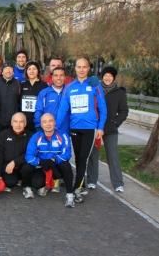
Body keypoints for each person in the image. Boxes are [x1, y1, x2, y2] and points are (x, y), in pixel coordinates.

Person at [56, 57, 107, 201]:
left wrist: (101, 127)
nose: (82, 69)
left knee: (83, 158)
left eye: (84, 67)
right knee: (78, 158)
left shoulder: (94, 84)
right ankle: (81, 183)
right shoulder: (69, 87)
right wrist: (55, 127)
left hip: (90, 128)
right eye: (79, 67)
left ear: (88, 68)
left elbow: (103, 108)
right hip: (74, 128)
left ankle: (76, 189)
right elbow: (62, 110)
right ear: (75, 68)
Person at [87, 66, 128, 192]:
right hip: (94, 127)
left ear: (113, 78)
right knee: (93, 155)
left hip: (110, 128)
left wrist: (115, 123)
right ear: (102, 77)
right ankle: (91, 181)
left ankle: (118, 183)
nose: (107, 78)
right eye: (105, 75)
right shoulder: (95, 89)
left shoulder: (119, 92)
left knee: (113, 156)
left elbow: (124, 111)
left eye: (110, 76)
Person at [25, 113, 75, 206]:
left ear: (55, 122)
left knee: (66, 165)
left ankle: (70, 195)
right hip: (43, 166)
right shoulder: (36, 136)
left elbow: (67, 153)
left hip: (56, 164)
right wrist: (40, 162)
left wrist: (53, 160)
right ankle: (40, 185)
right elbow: (29, 156)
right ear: (41, 124)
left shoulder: (63, 135)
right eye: (44, 122)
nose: (48, 124)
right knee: (35, 182)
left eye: (50, 121)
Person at [0, 113, 32, 193]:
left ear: (25, 123)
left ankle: (25, 183)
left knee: (38, 182)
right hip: (8, 166)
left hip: (23, 165)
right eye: (15, 121)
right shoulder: (3, 134)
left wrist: (15, 162)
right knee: (10, 182)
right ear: (11, 123)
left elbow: (30, 154)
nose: (18, 125)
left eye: (21, 122)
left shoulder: (30, 136)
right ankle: (17, 179)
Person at [34, 66, 69, 133]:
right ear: (52, 77)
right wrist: (38, 126)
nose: (58, 78)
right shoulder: (44, 93)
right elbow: (38, 111)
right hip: (47, 131)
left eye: (61, 75)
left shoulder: (69, 92)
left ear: (65, 77)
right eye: (56, 75)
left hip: (66, 131)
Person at [20, 61, 49, 132]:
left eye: (34, 69)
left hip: (39, 122)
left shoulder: (44, 86)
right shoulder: (22, 85)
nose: (31, 71)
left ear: (38, 71)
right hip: (24, 122)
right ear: (26, 71)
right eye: (29, 69)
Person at [0, 63, 21, 131]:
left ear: (13, 72)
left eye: (10, 68)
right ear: (2, 72)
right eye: (6, 69)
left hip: (13, 122)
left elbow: (19, 101)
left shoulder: (18, 83)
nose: (8, 70)